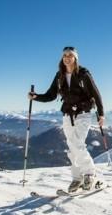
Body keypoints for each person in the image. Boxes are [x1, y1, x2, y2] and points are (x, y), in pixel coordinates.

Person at [28, 46, 104, 192]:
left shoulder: (83, 74)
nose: (67, 57)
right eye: (64, 55)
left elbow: (96, 93)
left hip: (83, 113)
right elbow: (51, 95)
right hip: (67, 115)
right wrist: (36, 97)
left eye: (70, 55)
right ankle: (77, 178)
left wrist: (101, 114)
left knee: (77, 143)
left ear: (75, 58)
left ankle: (89, 173)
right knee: (72, 146)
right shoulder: (59, 76)